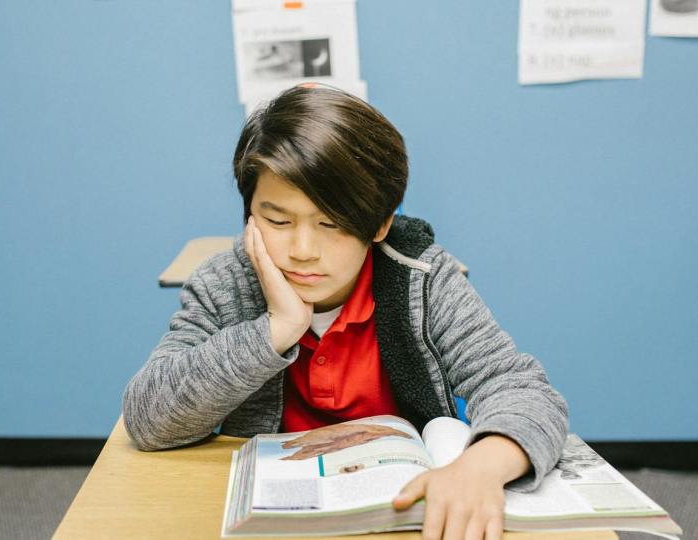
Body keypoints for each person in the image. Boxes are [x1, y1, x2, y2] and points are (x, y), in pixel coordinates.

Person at [122, 84, 568, 539]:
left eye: (330, 224)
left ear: (379, 223)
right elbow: (148, 418)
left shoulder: (422, 277)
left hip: (403, 515)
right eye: (277, 221)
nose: (301, 250)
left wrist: (481, 469)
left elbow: (520, 388)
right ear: (250, 214)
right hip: (274, 519)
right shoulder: (225, 284)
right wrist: (275, 330)